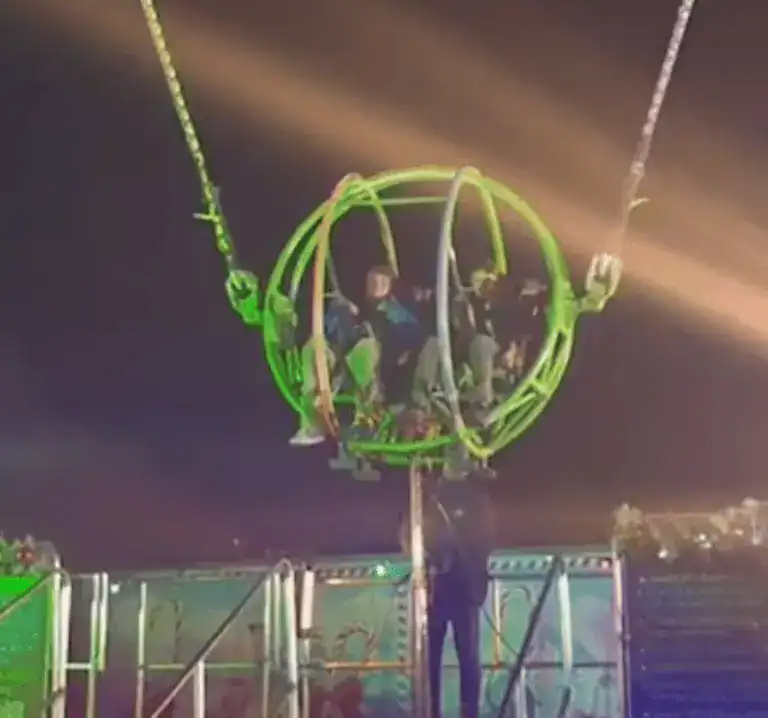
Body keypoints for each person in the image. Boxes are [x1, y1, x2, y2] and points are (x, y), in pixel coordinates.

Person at [400, 471, 495, 718]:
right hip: (442, 591)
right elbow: (409, 536)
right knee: (450, 660)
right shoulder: (462, 500)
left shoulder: (446, 500)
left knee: (458, 659)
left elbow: (484, 540)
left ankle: (451, 712)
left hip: (454, 590)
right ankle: (445, 711)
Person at [289, 295, 379, 446]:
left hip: (360, 370)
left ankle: (367, 421)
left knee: (364, 350)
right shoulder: (333, 330)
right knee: (315, 348)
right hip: (335, 365)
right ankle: (313, 421)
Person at [461, 268, 547, 421]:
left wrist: (514, 353)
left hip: (505, 358)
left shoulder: (509, 304)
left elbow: (522, 333)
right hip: (491, 361)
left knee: (483, 343)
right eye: (482, 287)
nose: (486, 288)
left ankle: (484, 397)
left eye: (488, 284)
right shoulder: (483, 310)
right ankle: (479, 402)